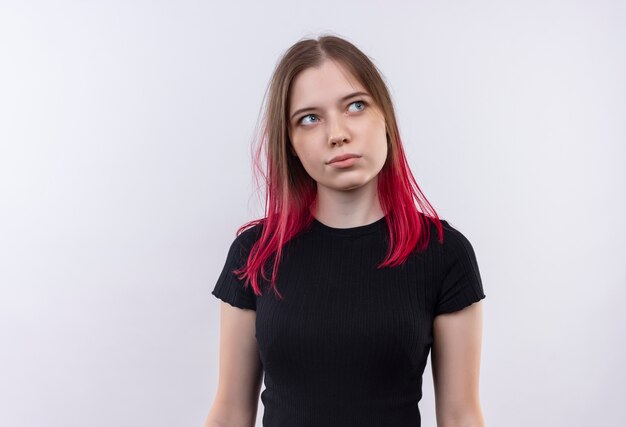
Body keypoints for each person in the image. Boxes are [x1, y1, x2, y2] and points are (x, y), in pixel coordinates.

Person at [204, 34, 486, 427]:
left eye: (355, 106)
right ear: (291, 143)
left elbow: (460, 416)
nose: (337, 133)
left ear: (384, 116)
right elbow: (231, 412)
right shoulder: (255, 253)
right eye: (310, 118)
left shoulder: (443, 253)